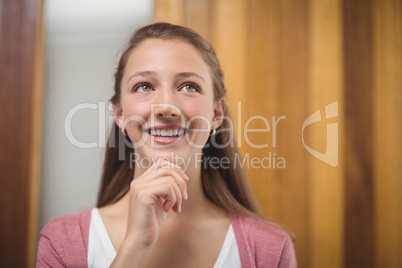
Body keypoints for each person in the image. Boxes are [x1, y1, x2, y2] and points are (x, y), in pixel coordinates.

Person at [37, 22, 297, 267]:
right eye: (143, 86)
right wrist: (135, 245)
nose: (166, 106)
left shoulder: (269, 249)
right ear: (120, 114)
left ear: (217, 114)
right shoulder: (61, 243)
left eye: (188, 86)